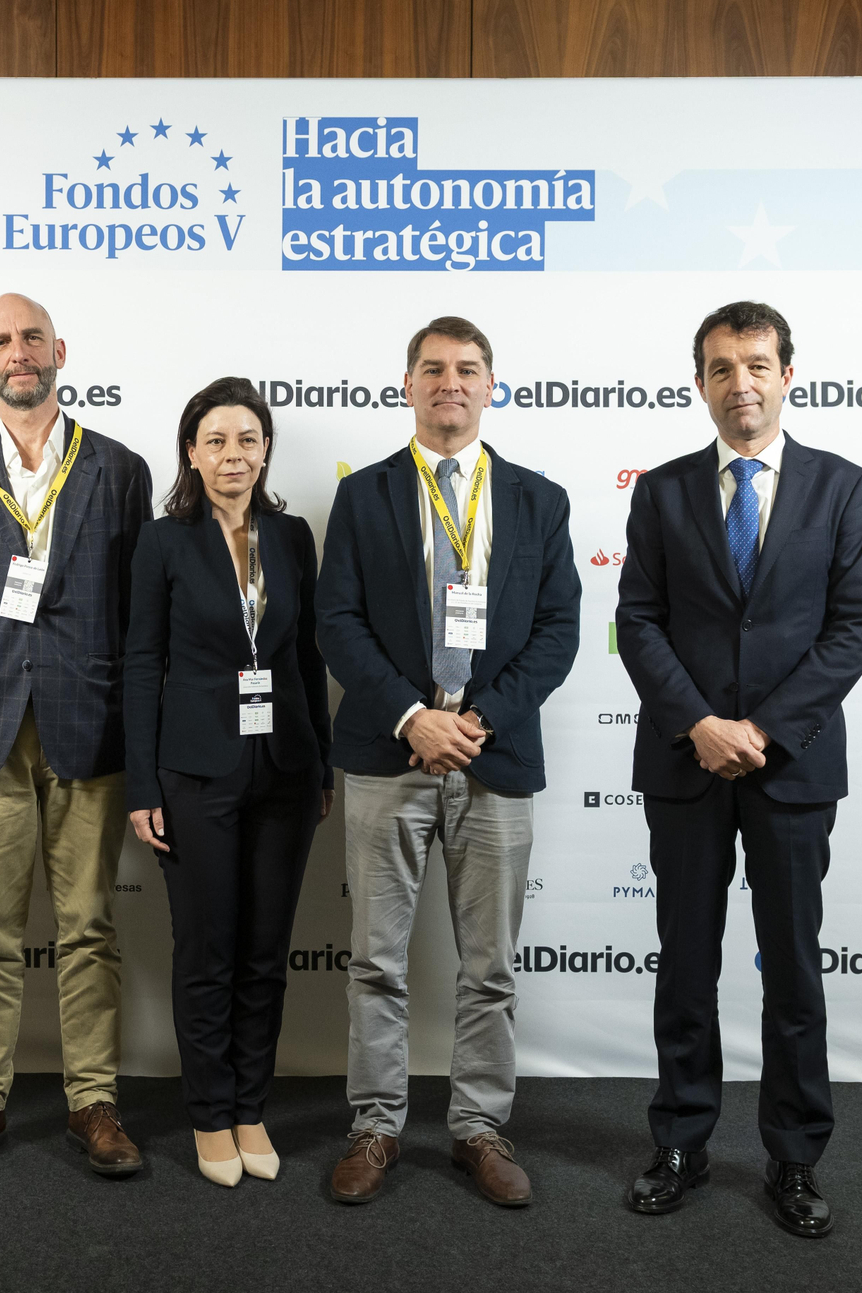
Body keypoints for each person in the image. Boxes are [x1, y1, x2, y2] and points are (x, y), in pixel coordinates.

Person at [614, 301, 862, 1239]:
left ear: (787, 375)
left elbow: (854, 629)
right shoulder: (661, 490)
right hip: (686, 764)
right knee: (685, 961)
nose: (742, 384)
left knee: (793, 967)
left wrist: (760, 730)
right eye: (722, 368)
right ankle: (681, 1139)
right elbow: (637, 620)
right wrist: (698, 723)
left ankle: (794, 1155)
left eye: (757, 365)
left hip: (791, 767)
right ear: (701, 383)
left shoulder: (844, 488)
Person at [316, 316, 581, 1208]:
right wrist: (411, 716)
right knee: (376, 962)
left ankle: (478, 1128)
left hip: (495, 760)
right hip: (389, 757)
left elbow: (558, 632)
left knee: (490, 967)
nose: (450, 384)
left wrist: (478, 720)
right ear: (408, 384)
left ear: (491, 385)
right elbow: (336, 623)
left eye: (467, 369)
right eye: (433, 369)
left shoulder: (540, 500)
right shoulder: (364, 497)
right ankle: (376, 1125)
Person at [0, 293, 153, 1180]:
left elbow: (137, 610)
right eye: (1, 342)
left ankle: (94, 1101)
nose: (19, 353)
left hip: (90, 725)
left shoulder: (120, 470)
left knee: (88, 924)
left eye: (32, 339)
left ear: (61, 350)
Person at [123, 378, 334, 1187]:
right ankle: (210, 1112)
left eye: (246, 439)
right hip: (193, 772)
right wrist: (143, 783)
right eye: (215, 441)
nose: (232, 455)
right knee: (207, 949)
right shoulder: (163, 541)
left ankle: (252, 1104)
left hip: (283, 770)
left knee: (265, 951)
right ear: (191, 452)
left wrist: (316, 761)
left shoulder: (292, 537)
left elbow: (305, 658)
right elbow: (143, 664)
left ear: (265, 448)